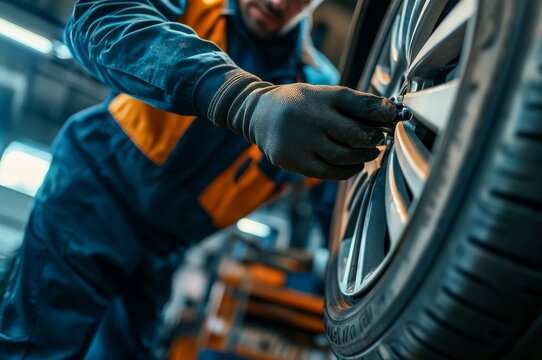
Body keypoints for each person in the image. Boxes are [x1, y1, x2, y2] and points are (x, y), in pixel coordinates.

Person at [0, 0, 396, 358]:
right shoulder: (193, 4)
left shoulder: (317, 86)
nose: (277, 3)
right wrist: (242, 98)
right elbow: (98, 18)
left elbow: (345, 211)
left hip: (164, 249)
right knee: (39, 345)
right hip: (93, 194)